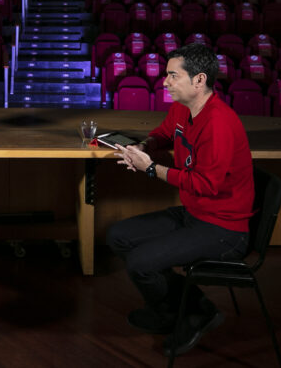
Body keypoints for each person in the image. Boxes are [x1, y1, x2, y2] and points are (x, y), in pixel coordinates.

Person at [107, 43, 254, 357]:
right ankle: (189, 309)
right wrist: (145, 147)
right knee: (118, 236)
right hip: (194, 213)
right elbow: (162, 133)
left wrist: (151, 169)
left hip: (224, 228)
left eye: (173, 75)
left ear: (199, 80)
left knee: (140, 263)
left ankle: (188, 316)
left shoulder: (219, 123)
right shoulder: (182, 108)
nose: (165, 82)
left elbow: (205, 184)